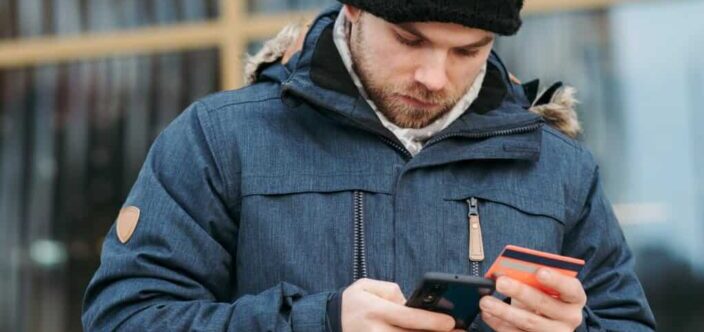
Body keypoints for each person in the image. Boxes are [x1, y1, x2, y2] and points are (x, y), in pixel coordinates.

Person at [82, 1, 656, 331]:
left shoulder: (558, 168)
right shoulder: (219, 138)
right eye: (410, 40)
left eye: (467, 51)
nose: (435, 77)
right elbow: (124, 319)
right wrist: (322, 322)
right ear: (354, 9)